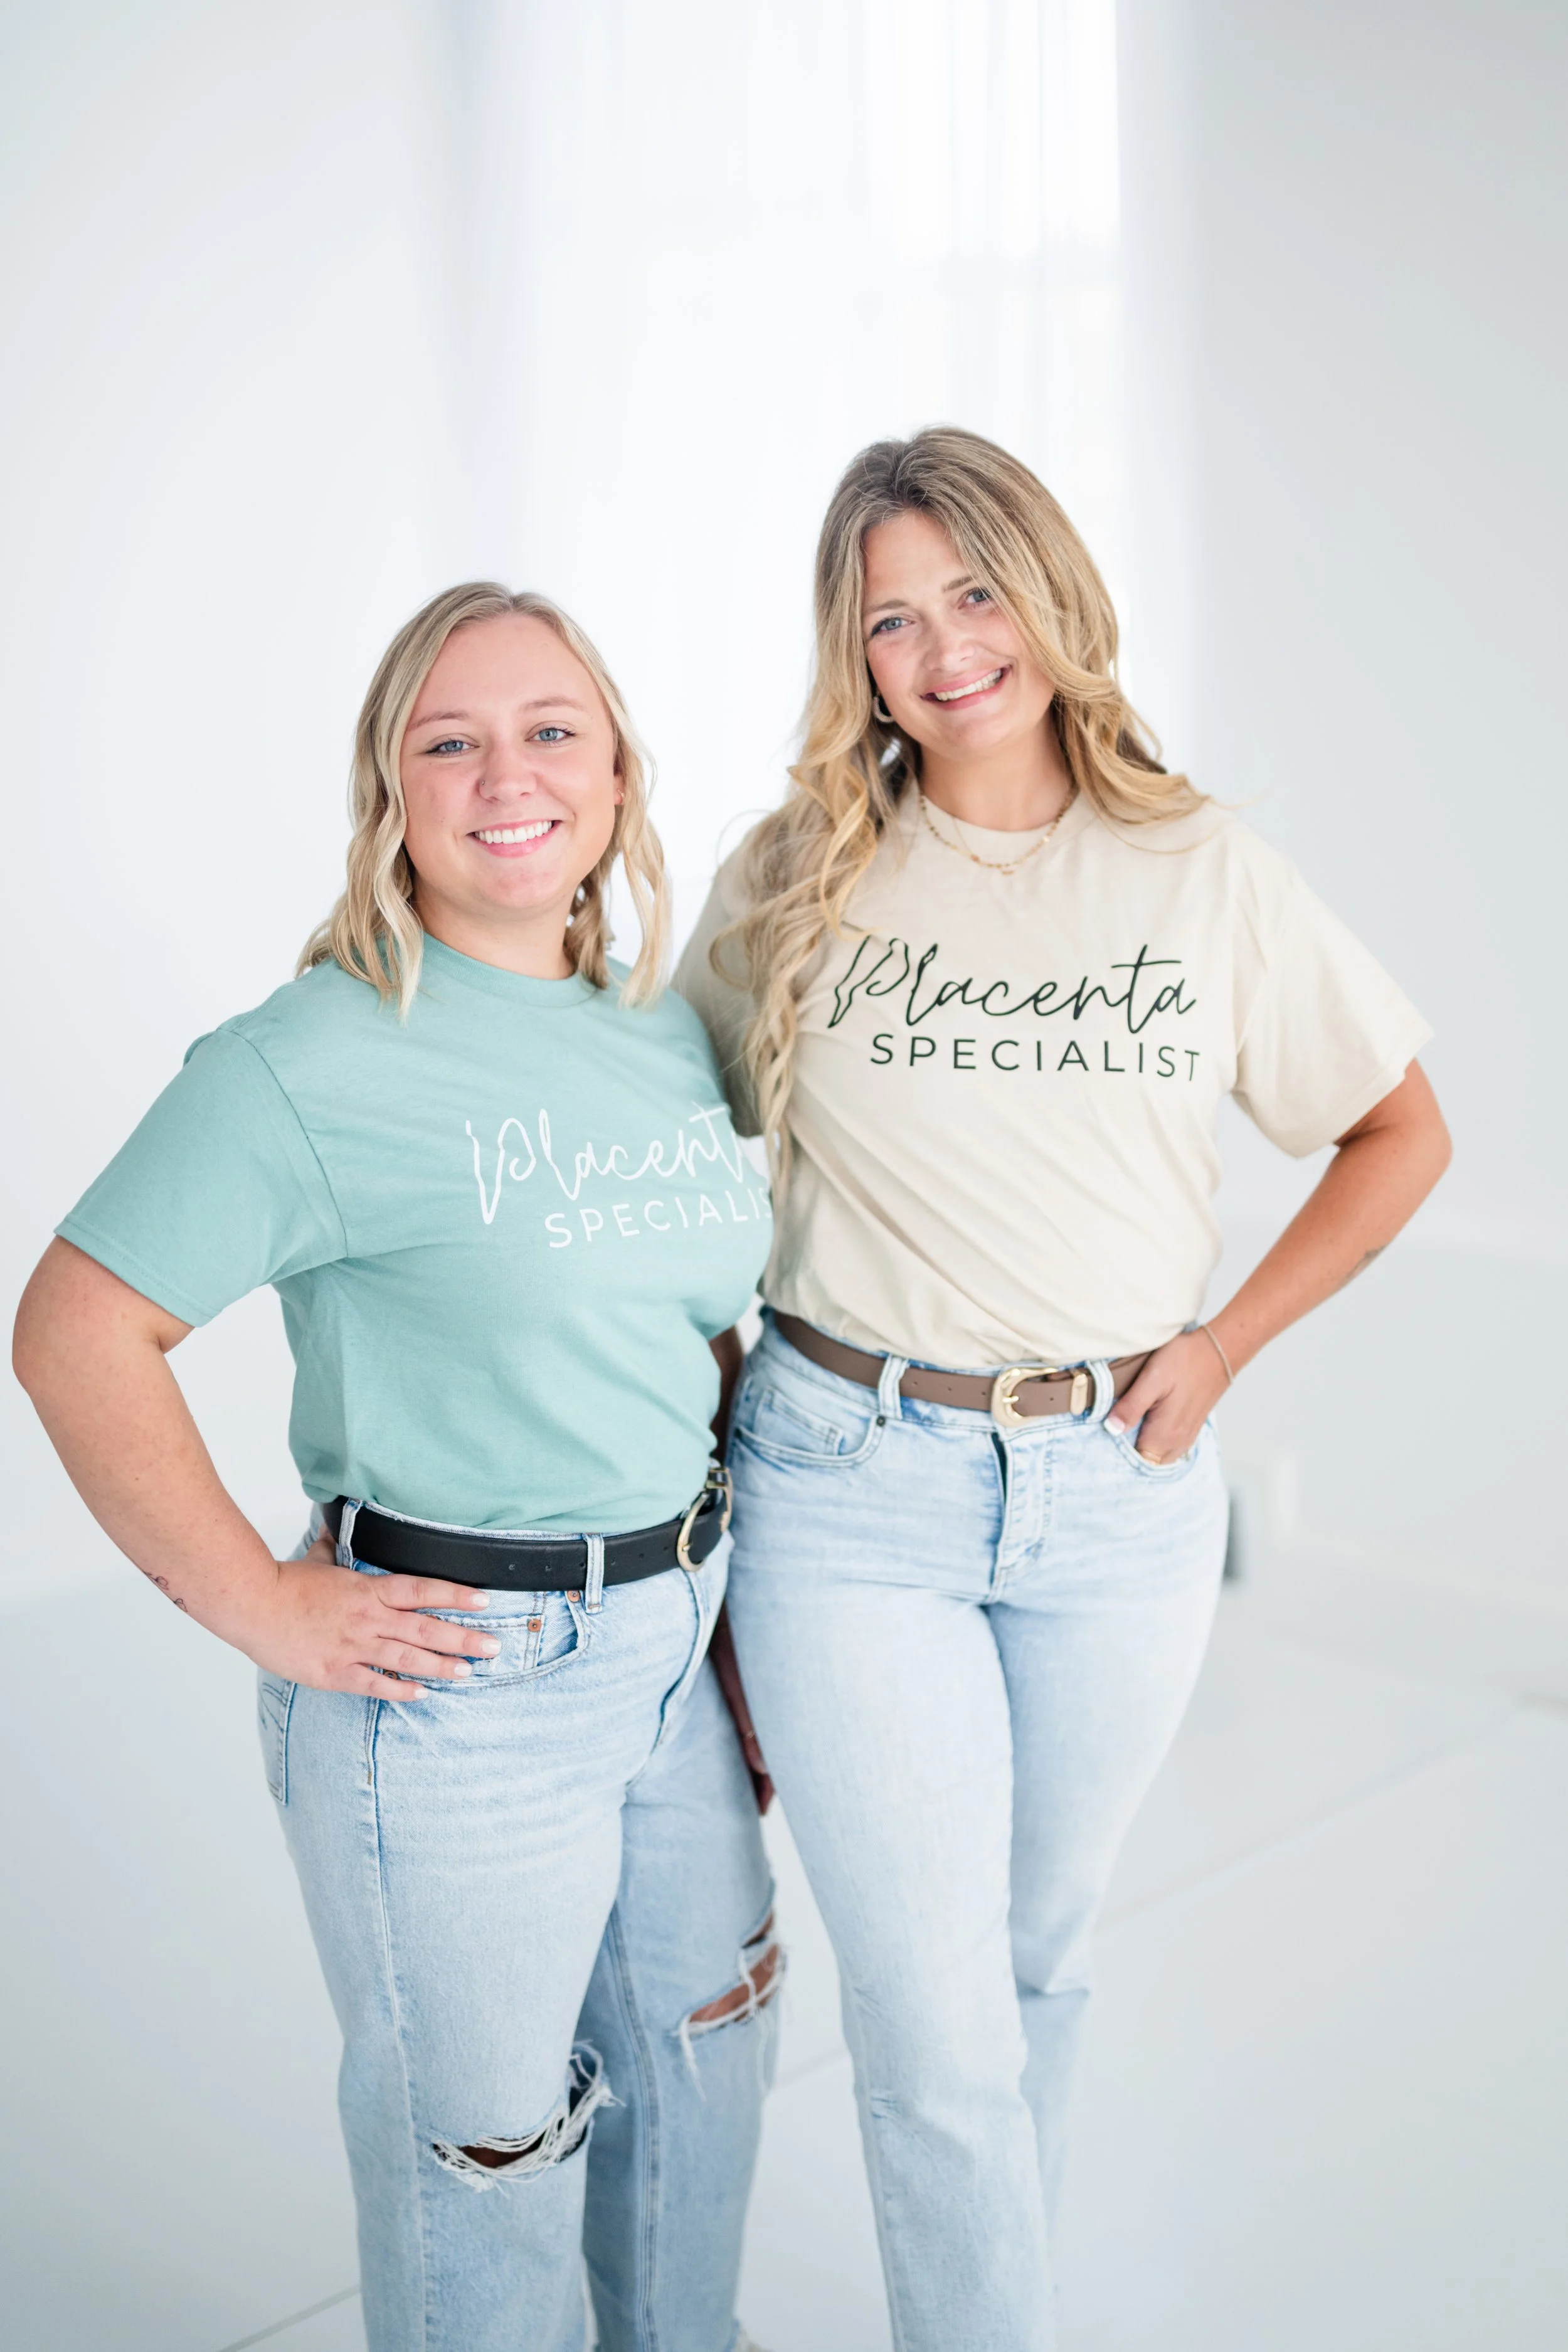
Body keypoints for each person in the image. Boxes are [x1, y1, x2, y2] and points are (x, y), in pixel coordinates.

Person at [675, 427, 1452, 2352]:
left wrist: (1223, 1341)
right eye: (890, 619)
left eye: (974, 591)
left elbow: (1396, 1129)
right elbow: (666, 1164)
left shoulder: (1203, 869)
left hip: (1116, 1492)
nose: (942, 649)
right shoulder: (795, 872)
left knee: (1029, 1966)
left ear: (1050, 595)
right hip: (848, 1486)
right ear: (846, 655)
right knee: (933, 2028)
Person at [14, 584, 780, 2352]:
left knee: (706, 2057)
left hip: (675, 1654)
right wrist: (269, 1605)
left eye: (548, 731)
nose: (504, 773)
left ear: (613, 776)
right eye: (450, 740)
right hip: (462, 1693)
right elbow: (73, 1330)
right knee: (487, 2160)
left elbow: (688, 1326)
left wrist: (716, 1610)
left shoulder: (656, 1031)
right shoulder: (312, 1055)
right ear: (392, 796)